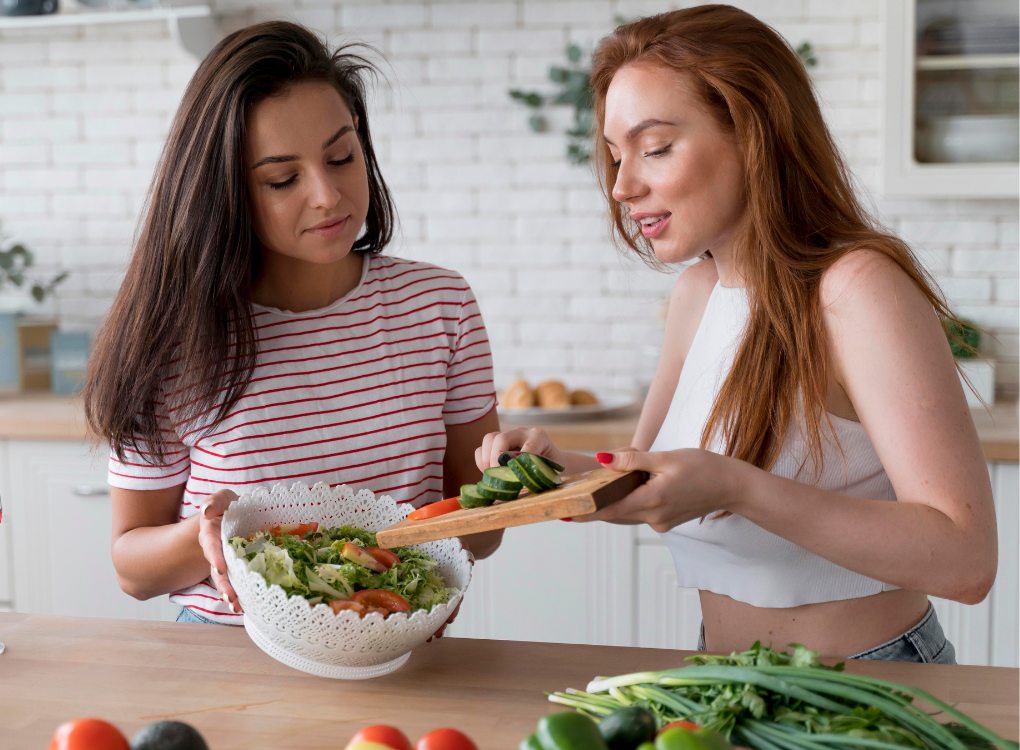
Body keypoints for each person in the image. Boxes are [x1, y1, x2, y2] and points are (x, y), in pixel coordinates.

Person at [476, 7, 997, 662]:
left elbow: (965, 559)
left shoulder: (855, 288)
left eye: (656, 148)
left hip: (869, 687)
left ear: (755, 134)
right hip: (718, 680)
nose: (621, 186)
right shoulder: (698, 292)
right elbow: (649, 481)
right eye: (613, 155)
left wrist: (738, 486)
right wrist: (555, 470)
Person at [85, 21, 502, 626]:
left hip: (398, 651)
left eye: (341, 156)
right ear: (224, 192)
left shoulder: (439, 306)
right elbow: (132, 570)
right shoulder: (175, 341)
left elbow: (478, 535)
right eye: (283, 179)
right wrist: (206, 534)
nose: (328, 195)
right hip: (229, 661)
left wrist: (514, 485)